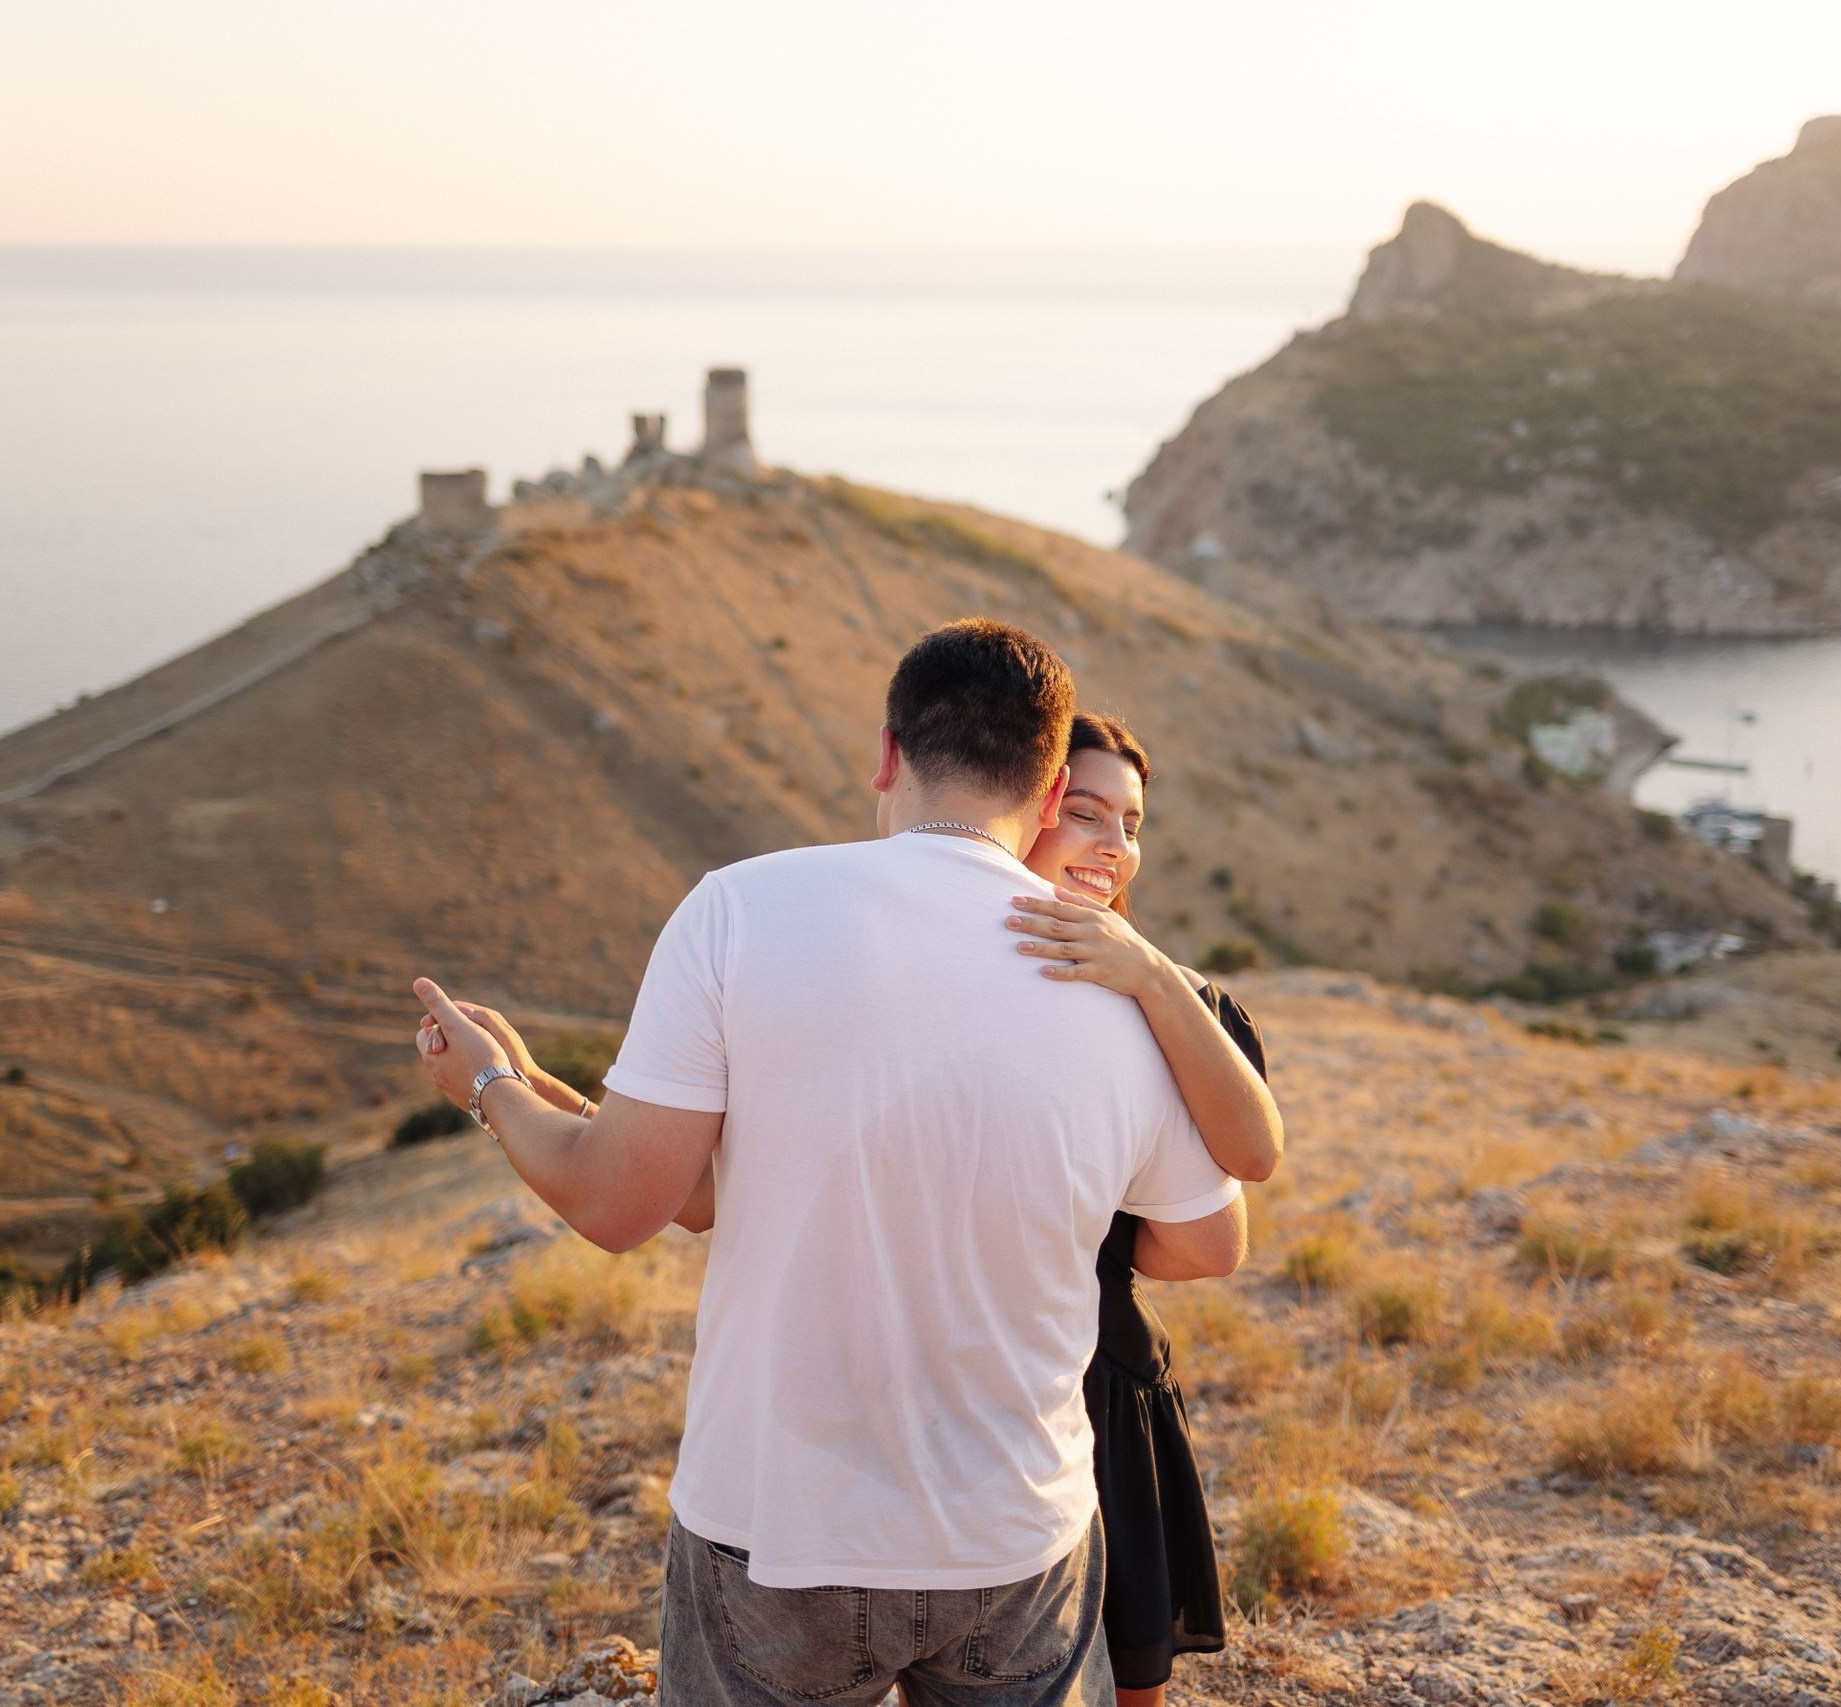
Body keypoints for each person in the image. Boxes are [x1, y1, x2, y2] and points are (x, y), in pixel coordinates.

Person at [410, 620, 1246, 1707]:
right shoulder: (1120, 985)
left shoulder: (737, 910)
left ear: (888, 755)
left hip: (775, 1531)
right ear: (1050, 799)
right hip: (1017, 1533)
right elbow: (1204, 1241)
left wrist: (490, 1084)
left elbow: (621, 1202)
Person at [1001, 713, 1278, 1707]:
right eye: (1085, 813)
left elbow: (1241, 1183)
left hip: (1101, 1383)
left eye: (1130, 823)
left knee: (1125, 1686)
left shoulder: (1175, 1001)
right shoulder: (944, 978)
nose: (1114, 846)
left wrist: (1150, 975)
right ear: (1022, 810)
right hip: (970, 1379)